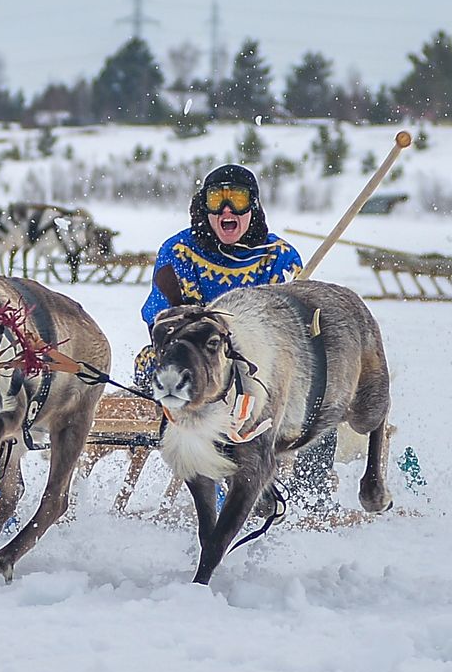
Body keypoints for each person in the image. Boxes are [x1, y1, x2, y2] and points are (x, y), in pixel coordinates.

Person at [135, 163, 337, 512]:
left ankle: (311, 502)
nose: (227, 210)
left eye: (238, 200)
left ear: (253, 207)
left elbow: (289, 330)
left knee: (322, 397)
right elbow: (166, 317)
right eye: (217, 200)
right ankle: (213, 484)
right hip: (195, 362)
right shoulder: (179, 252)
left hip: (265, 366)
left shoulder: (280, 257)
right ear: (204, 207)